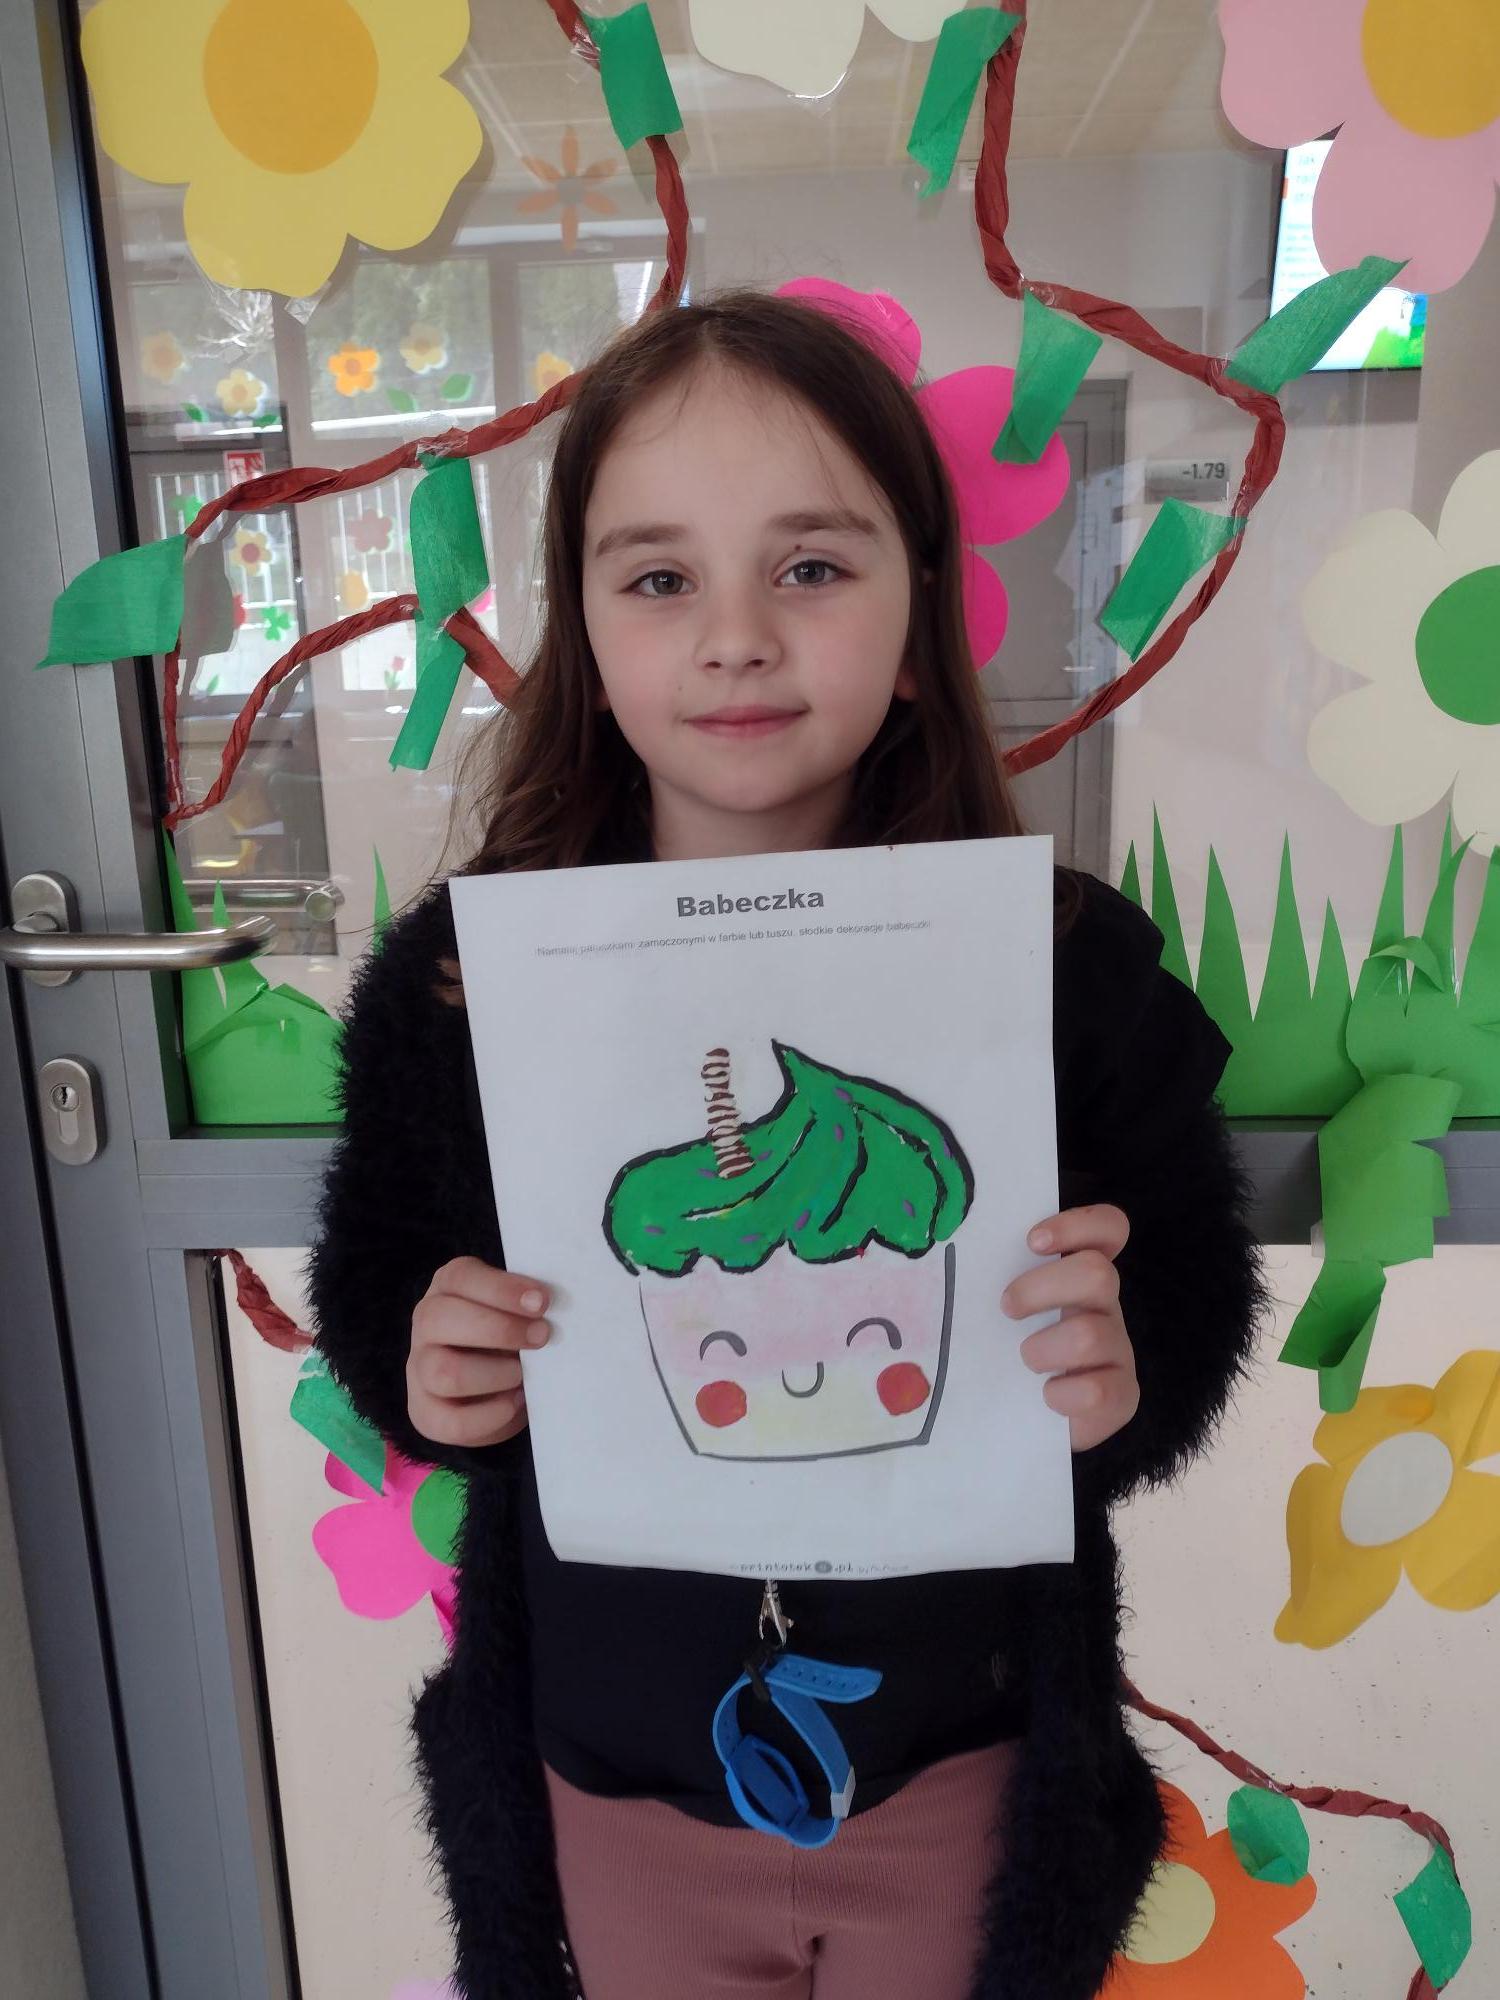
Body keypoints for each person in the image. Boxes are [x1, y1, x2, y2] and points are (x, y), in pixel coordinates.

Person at [307, 289, 1266, 2000]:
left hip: (958, 1767)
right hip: (612, 1778)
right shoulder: (463, 987)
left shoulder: (1065, 972)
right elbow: (380, 1269)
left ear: (914, 618)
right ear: (586, 631)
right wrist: (423, 1363)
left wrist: (1130, 1363)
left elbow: (1189, 1293)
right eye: (659, 579)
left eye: (810, 567)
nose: (736, 637)